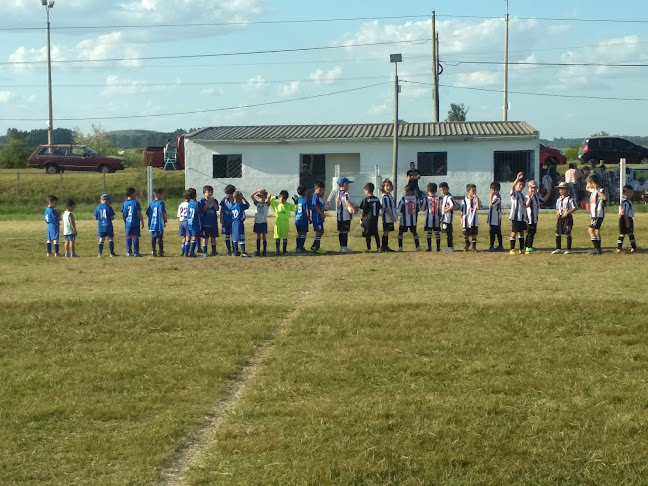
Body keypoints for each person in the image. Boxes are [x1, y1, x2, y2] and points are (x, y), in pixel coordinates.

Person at [552, 182, 577, 254]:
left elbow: (575, 208)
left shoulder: (570, 199)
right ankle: (558, 248)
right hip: (560, 217)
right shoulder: (559, 199)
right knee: (558, 232)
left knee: (567, 232)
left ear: (567, 189)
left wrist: (568, 212)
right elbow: (557, 208)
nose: (561, 191)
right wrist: (557, 212)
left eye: (563, 189)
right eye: (560, 189)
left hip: (567, 218)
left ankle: (568, 249)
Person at [270, 190, 297, 255]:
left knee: (285, 236)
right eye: (281, 199)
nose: (283, 201)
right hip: (278, 222)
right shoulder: (276, 204)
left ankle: (284, 250)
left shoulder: (288, 205)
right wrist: (276, 197)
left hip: (285, 223)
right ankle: (277, 250)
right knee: (277, 236)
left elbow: (295, 208)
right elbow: (270, 200)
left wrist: (296, 202)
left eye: (284, 199)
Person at [121, 187, 144, 257]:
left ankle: (128, 252)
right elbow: (138, 212)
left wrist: (125, 221)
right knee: (135, 237)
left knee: (128, 236)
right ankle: (136, 252)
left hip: (128, 223)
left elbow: (124, 214)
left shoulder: (125, 203)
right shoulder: (135, 202)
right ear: (132, 194)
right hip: (135, 222)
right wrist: (142, 221)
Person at [587, 174, 607, 255]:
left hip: (598, 214)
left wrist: (597, 189)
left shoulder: (600, 190)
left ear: (593, 183)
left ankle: (596, 248)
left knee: (590, 230)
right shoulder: (592, 191)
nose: (588, 185)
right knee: (597, 231)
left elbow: (605, 198)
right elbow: (587, 188)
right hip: (594, 215)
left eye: (589, 183)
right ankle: (599, 249)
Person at [524, 180, 547, 253]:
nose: (533, 189)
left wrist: (548, 193)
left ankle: (527, 245)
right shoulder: (527, 196)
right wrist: (530, 198)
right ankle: (528, 246)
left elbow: (542, 201)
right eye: (531, 188)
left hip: (535, 218)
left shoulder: (537, 196)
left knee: (532, 232)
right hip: (529, 219)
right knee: (530, 232)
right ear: (528, 188)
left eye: (534, 188)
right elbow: (526, 205)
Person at [359, 182, 382, 252]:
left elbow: (362, 210)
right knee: (376, 234)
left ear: (367, 190)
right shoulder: (377, 199)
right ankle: (379, 248)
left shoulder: (365, 200)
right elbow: (379, 208)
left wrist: (361, 218)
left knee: (367, 234)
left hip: (367, 220)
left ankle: (369, 248)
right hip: (375, 219)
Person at [336, 177, 357, 253]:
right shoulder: (345, 193)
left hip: (339, 216)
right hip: (345, 216)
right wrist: (352, 208)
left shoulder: (338, 193)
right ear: (344, 184)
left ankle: (341, 247)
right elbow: (347, 201)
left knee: (341, 232)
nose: (348, 186)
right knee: (345, 232)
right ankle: (344, 247)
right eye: (348, 184)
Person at [509, 172, 527, 254]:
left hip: (522, 217)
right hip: (515, 217)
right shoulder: (514, 194)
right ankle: (512, 248)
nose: (521, 187)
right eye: (519, 185)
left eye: (522, 185)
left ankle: (521, 248)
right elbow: (512, 187)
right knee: (514, 232)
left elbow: (524, 206)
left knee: (521, 232)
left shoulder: (523, 196)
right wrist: (517, 179)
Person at [94, 193, 117, 258]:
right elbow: (112, 217)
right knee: (110, 238)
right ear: (107, 200)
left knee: (101, 239)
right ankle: (111, 253)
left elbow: (95, 217)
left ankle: (100, 253)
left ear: (101, 200)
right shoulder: (108, 207)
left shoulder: (98, 207)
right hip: (108, 225)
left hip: (101, 226)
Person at [146, 188, 167, 257]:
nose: (163, 196)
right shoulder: (161, 203)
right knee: (160, 238)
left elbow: (148, 213)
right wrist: (165, 219)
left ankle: (153, 250)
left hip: (152, 223)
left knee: (153, 238)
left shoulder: (152, 203)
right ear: (159, 195)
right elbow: (162, 212)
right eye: (162, 194)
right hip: (159, 224)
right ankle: (160, 251)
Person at [200, 185, 219, 257]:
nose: (210, 193)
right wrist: (209, 202)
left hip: (213, 223)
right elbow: (204, 209)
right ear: (204, 193)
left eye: (211, 192)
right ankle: (205, 251)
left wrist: (213, 201)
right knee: (205, 238)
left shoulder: (215, 200)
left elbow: (217, 209)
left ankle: (214, 251)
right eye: (208, 192)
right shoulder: (202, 201)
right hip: (205, 223)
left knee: (213, 238)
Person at [617, 185, 637, 253]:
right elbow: (624, 213)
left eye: (631, 192)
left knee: (630, 233)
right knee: (622, 234)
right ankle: (619, 248)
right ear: (623, 193)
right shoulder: (625, 202)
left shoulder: (629, 201)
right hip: (625, 219)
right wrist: (627, 221)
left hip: (628, 218)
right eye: (628, 192)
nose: (630, 194)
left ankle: (633, 247)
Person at [460, 184, 480, 252]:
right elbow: (462, 210)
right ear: (468, 191)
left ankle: (474, 247)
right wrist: (461, 218)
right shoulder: (464, 200)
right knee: (465, 233)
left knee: (474, 234)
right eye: (473, 190)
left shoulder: (476, 199)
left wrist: (476, 199)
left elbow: (478, 207)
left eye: (475, 190)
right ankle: (467, 243)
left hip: (474, 219)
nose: (474, 192)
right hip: (466, 219)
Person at [251, 189, 271, 256]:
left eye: (262, 197)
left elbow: (269, 195)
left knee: (264, 236)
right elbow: (252, 196)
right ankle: (258, 251)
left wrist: (265, 192)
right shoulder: (257, 204)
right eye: (259, 197)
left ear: (265, 197)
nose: (260, 198)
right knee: (258, 236)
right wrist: (257, 191)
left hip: (263, 222)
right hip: (257, 222)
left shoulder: (266, 204)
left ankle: (264, 251)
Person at [231, 191, 250, 257]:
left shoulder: (232, 206)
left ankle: (236, 251)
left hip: (233, 222)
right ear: (239, 198)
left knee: (234, 236)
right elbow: (248, 205)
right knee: (241, 236)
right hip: (239, 222)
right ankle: (243, 251)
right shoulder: (240, 205)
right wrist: (244, 198)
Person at [380, 179, 397, 252]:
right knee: (386, 231)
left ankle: (385, 246)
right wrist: (391, 216)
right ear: (383, 187)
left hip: (390, 217)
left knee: (388, 231)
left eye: (389, 186)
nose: (388, 188)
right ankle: (384, 247)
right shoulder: (385, 197)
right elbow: (385, 208)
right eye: (386, 186)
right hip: (387, 217)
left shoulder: (389, 195)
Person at [309, 181, 327, 254]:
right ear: (316, 189)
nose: (321, 191)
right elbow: (315, 206)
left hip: (320, 217)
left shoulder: (320, 197)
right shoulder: (315, 196)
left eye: (322, 190)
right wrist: (322, 214)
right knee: (319, 232)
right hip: (316, 217)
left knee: (321, 231)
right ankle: (317, 248)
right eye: (320, 190)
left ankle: (314, 246)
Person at [423, 182, 441, 252]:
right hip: (435, 218)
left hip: (430, 218)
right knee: (435, 233)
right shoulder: (438, 199)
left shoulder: (426, 199)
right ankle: (437, 247)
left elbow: (423, 208)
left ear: (427, 191)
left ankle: (431, 247)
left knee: (430, 233)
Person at [487, 182, 504, 252]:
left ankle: (500, 245)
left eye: (494, 190)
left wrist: (490, 197)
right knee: (492, 233)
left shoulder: (498, 198)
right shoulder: (494, 197)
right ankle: (492, 245)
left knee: (497, 232)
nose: (492, 192)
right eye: (491, 190)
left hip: (496, 219)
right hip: (492, 218)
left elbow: (492, 205)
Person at [220, 185, 236, 256]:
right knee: (227, 236)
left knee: (233, 236)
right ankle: (228, 250)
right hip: (226, 221)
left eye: (228, 193)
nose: (227, 195)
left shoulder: (236, 200)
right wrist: (221, 218)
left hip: (233, 221)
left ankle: (234, 250)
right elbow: (222, 209)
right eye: (226, 193)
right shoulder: (224, 200)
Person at [186, 188, 202, 257]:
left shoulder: (189, 204)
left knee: (189, 237)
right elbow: (201, 212)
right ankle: (191, 252)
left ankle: (186, 252)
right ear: (196, 195)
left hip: (189, 222)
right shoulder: (197, 204)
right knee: (194, 237)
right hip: (195, 222)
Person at [294, 185, 310, 253]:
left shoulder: (297, 200)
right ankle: (301, 247)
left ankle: (298, 247)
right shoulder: (305, 200)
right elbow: (307, 210)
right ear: (304, 192)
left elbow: (295, 209)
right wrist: (309, 218)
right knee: (303, 234)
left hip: (297, 219)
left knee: (299, 233)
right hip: (303, 219)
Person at [439, 182, 455, 251]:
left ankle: (450, 247)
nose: (442, 191)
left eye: (444, 189)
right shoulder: (444, 197)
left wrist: (446, 210)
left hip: (448, 218)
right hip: (444, 218)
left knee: (449, 233)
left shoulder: (449, 197)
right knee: (447, 232)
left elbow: (453, 205)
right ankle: (449, 247)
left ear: (447, 189)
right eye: (441, 190)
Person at [177, 191, 190, 256]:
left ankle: (182, 250)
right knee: (188, 237)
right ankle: (186, 252)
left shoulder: (181, 204)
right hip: (187, 221)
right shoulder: (189, 204)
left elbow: (178, 215)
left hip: (181, 221)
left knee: (184, 237)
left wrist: (180, 222)